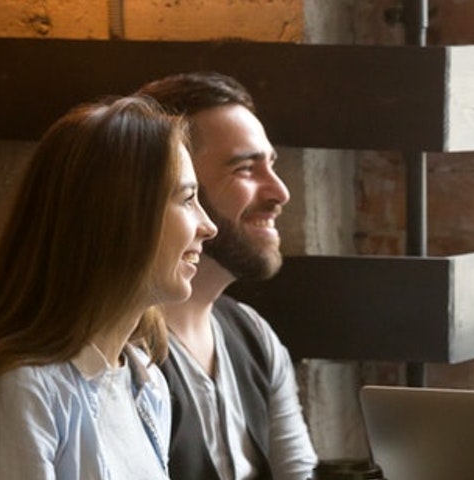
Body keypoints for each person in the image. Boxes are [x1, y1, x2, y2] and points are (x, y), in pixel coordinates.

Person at [0, 95, 217, 480]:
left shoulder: (146, 382)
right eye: (188, 198)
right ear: (117, 219)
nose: (208, 226)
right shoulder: (14, 394)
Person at [138, 72, 318, 480]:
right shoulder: (117, 347)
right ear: (176, 185)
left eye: (271, 164)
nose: (280, 192)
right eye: (244, 168)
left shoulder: (253, 334)